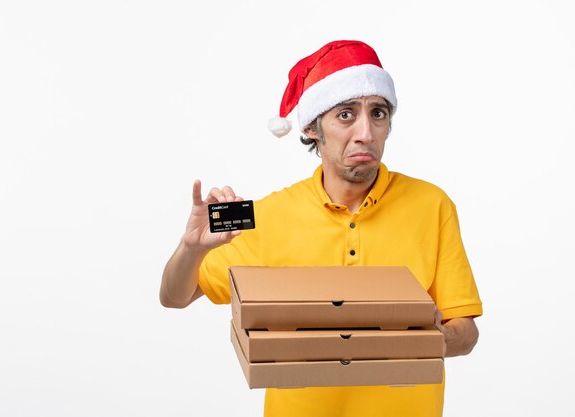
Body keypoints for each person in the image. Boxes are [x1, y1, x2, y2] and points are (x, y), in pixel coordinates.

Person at [160, 40, 482, 417]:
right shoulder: (271, 214)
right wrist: (192, 248)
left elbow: (466, 330)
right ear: (313, 128)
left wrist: (435, 340)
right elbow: (175, 296)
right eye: (346, 115)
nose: (366, 132)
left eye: (378, 113)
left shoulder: (432, 204)